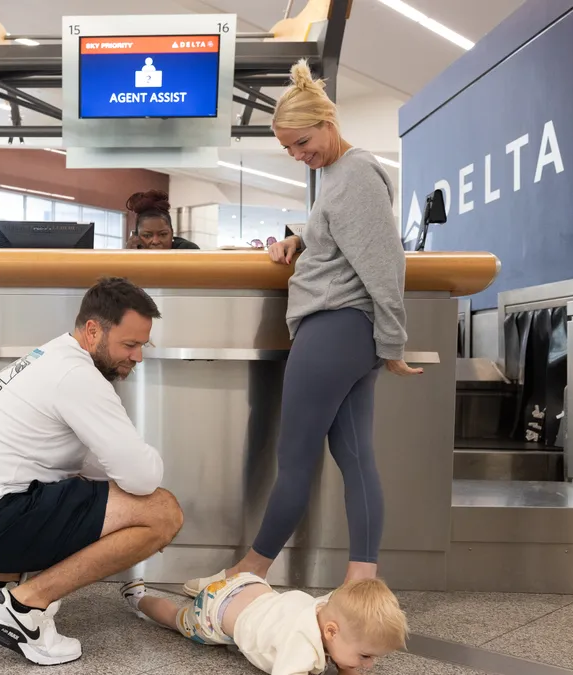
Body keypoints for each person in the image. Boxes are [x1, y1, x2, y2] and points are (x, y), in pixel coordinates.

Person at [184, 60, 422, 598]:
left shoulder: (356, 172)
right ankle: (362, 583)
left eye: (302, 141)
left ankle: (249, 572)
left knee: (294, 459)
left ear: (327, 123)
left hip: (336, 328)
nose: (298, 154)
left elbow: (386, 264)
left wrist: (393, 341)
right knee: (356, 457)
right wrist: (300, 238)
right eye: (289, 148)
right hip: (348, 331)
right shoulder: (338, 175)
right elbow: (341, 237)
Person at [0, 277, 183, 666]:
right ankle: (23, 608)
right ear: (93, 330)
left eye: (142, 346)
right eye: (130, 345)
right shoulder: (76, 376)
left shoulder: (50, 356)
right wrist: (138, 489)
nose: (137, 357)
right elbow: (141, 477)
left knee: (81, 483)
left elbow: (92, 464)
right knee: (162, 512)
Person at [120, 575, 408, 675]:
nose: (369, 666)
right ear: (330, 631)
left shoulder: (328, 607)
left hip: (250, 585)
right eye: (365, 656)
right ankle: (139, 599)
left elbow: (347, 603)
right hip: (214, 613)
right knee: (175, 618)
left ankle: (150, 594)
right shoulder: (301, 646)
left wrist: (348, 661)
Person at [125, 190, 200, 250]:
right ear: (136, 237)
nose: (155, 241)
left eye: (163, 234)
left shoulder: (187, 250)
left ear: (172, 233)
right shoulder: (132, 252)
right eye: (147, 235)